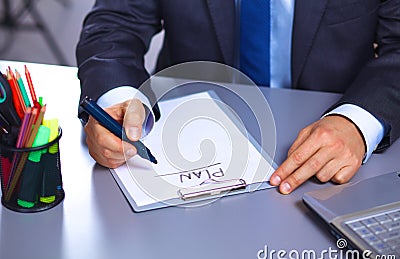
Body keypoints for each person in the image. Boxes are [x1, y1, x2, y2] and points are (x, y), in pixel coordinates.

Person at [76, 0, 400, 194]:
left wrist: (357, 122)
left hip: (326, 148)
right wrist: (115, 97)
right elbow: (115, 22)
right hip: (180, 141)